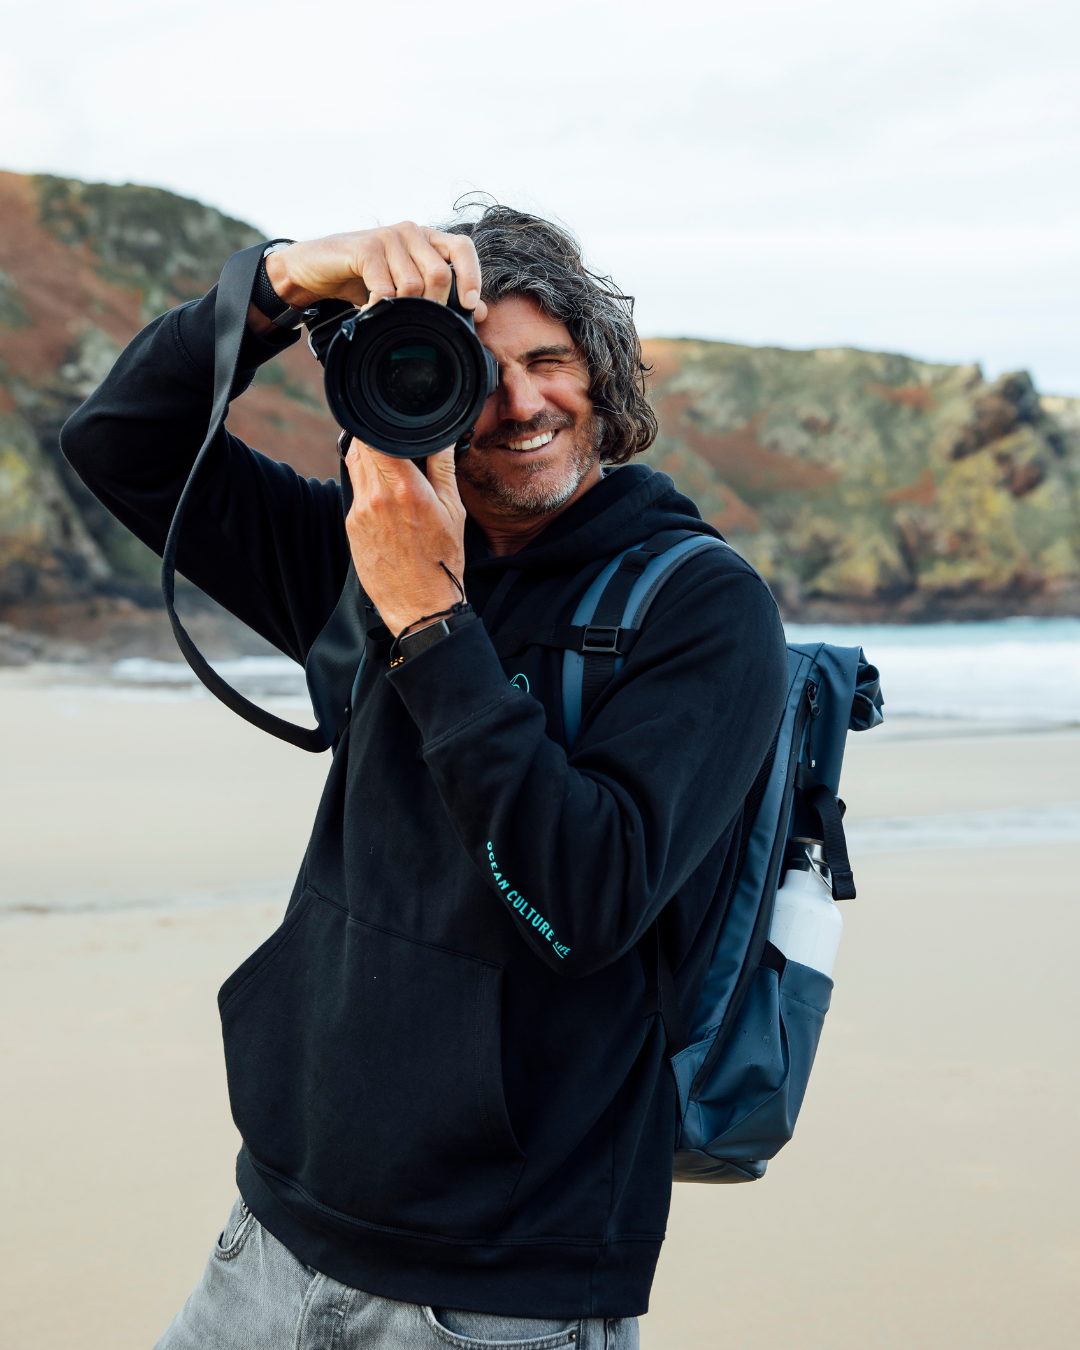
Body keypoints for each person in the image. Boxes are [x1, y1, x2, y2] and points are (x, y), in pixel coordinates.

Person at [61, 206, 788, 1349]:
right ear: (408, 390)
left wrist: (430, 617)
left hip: (495, 1292)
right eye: (473, 370)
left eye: (549, 361)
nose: (521, 404)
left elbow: (586, 899)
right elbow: (119, 442)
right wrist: (284, 282)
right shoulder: (358, 556)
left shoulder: (700, 607)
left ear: (601, 373)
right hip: (276, 1226)